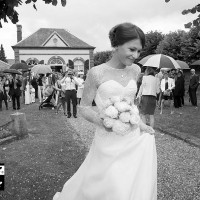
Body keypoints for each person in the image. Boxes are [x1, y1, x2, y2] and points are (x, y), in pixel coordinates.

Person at [53, 22, 156, 200]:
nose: (135, 55)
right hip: (107, 139)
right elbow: (84, 107)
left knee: (131, 184)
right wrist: (103, 122)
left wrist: (141, 125)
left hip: (132, 138)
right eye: (132, 49)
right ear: (116, 45)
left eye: (139, 51)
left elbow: (131, 104)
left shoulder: (136, 70)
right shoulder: (96, 73)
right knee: (112, 184)